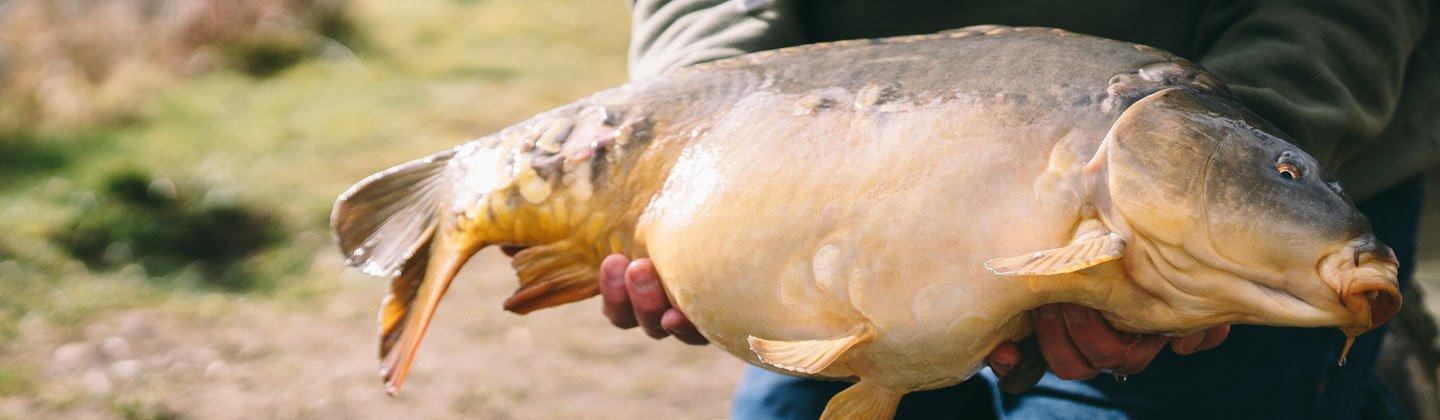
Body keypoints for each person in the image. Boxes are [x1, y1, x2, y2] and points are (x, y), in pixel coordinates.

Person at [540, 1, 1436, 418]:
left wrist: (1246, 148)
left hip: (1240, 165)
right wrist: (710, 139)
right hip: (859, 194)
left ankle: (1367, 383)